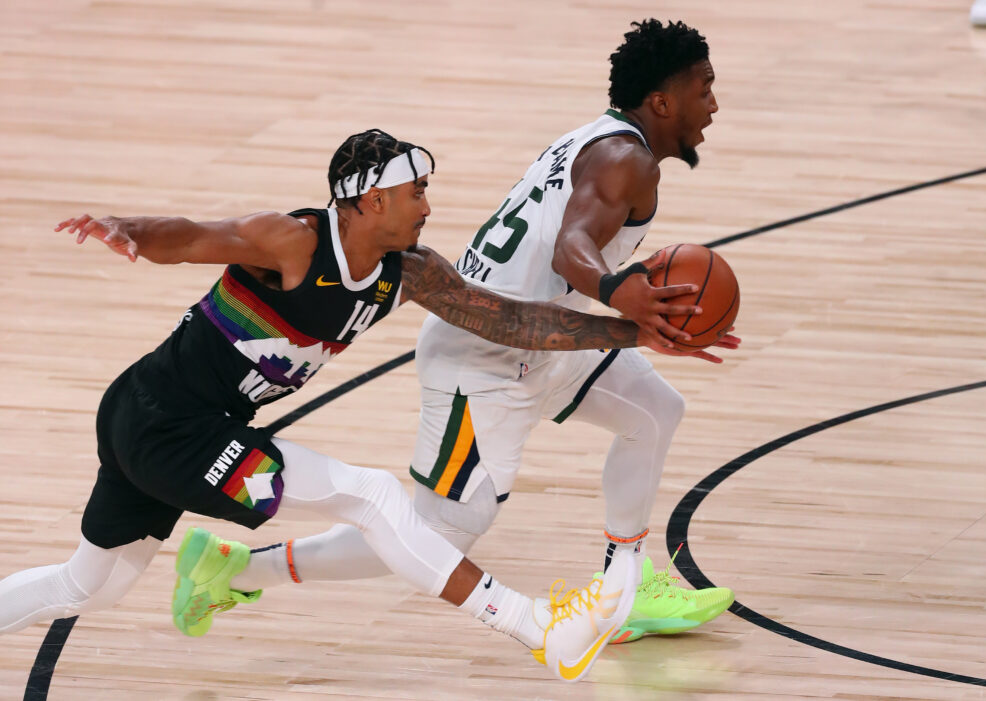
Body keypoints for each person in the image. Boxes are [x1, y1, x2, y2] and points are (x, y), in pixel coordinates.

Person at [0, 128, 705, 682]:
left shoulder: (411, 271)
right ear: (370, 201)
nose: (429, 205)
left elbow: (512, 322)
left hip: (181, 426)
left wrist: (629, 330)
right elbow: (190, 234)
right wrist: (127, 227)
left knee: (83, 586)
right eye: (416, 192)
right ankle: (535, 628)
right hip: (160, 423)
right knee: (368, 494)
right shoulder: (295, 241)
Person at [207, 20, 739, 647]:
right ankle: (240, 570)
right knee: (439, 534)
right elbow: (573, 249)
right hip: (486, 356)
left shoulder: (601, 139)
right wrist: (620, 292)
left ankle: (623, 586)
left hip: (548, 336)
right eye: (704, 88)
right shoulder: (627, 159)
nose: (713, 104)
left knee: (653, 410)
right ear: (661, 102)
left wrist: (624, 315)